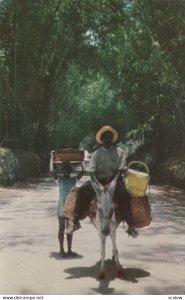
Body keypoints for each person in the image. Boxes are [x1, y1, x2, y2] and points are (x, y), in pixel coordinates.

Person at [71, 125, 138, 238]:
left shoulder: (119, 152)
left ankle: (130, 225)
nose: (107, 140)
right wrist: (98, 185)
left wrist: (114, 182)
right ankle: (75, 221)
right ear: (101, 140)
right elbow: (92, 172)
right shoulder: (96, 154)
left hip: (115, 179)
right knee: (82, 190)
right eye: (105, 138)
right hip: (99, 180)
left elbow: (121, 169)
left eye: (109, 137)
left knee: (125, 194)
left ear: (112, 139)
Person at [51, 158, 83, 257]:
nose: (66, 171)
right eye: (64, 169)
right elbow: (51, 172)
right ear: (62, 171)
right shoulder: (59, 180)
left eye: (68, 169)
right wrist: (51, 159)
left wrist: (82, 161)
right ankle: (61, 250)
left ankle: (69, 250)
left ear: (70, 171)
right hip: (61, 208)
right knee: (61, 229)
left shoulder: (73, 180)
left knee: (70, 229)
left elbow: (83, 172)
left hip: (71, 208)